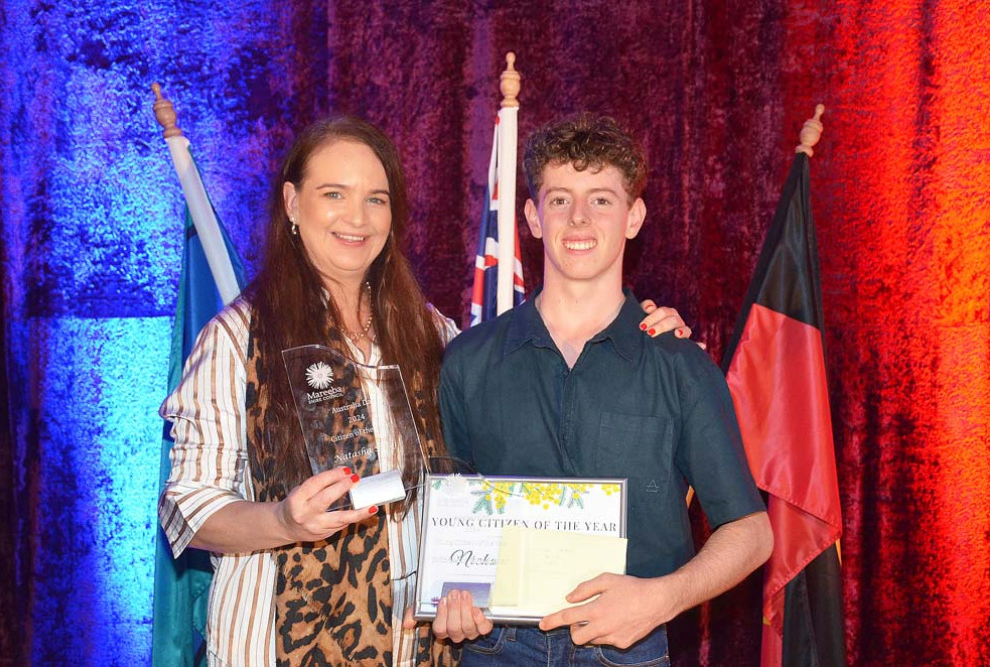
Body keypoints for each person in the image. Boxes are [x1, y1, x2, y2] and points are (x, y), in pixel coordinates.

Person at [158, 115, 690, 666]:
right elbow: (189, 506)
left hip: (418, 646)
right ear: (293, 203)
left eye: (376, 199)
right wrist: (283, 522)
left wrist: (639, 331)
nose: (356, 218)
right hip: (278, 642)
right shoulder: (237, 338)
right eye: (333, 194)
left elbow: (478, 464)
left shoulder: (431, 333)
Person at [434, 114, 773, 665]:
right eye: (560, 199)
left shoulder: (680, 366)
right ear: (532, 218)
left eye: (602, 200)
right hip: (494, 646)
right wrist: (450, 595)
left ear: (634, 216)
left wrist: (661, 598)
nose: (579, 219)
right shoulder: (468, 361)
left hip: (630, 648)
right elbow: (447, 513)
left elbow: (752, 531)